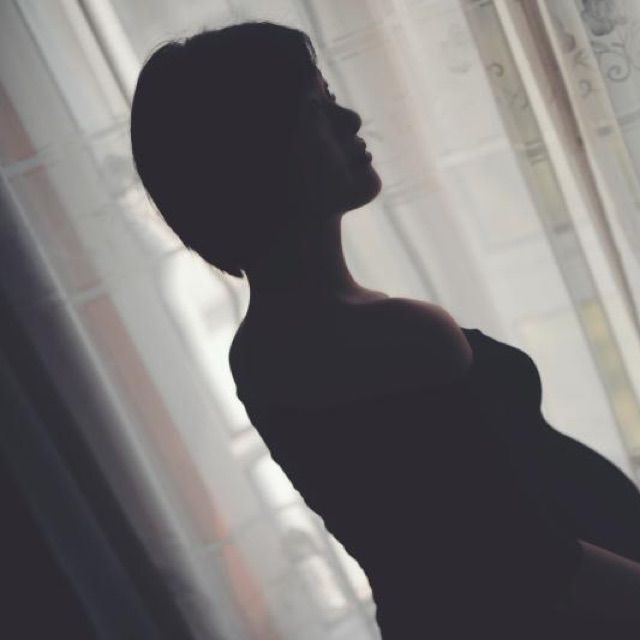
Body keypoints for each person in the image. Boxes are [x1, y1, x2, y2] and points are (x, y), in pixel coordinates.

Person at [130, 21, 640, 638]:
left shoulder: (264, 348)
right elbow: (534, 569)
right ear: (257, 157)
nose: (349, 119)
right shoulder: (391, 336)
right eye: (314, 111)